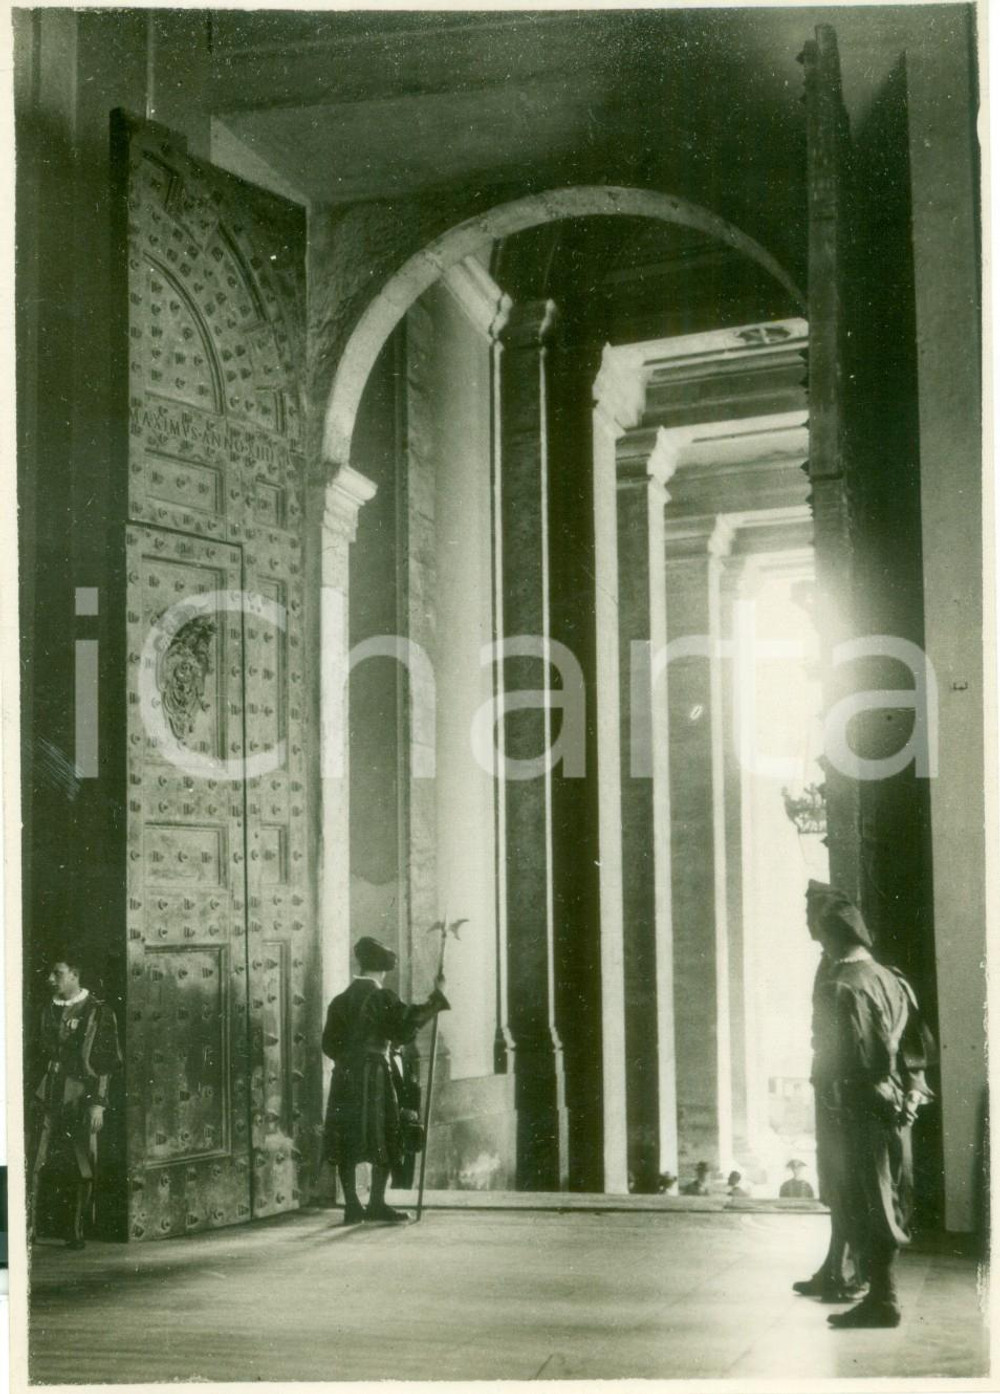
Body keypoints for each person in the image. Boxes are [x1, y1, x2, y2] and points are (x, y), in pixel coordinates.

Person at [799, 881, 934, 1329]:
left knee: (863, 1195)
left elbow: (857, 1060)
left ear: (827, 929)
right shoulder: (889, 977)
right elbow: (915, 1045)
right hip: (895, 1107)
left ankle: (883, 1299)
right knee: (889, 1194)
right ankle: (879, 1294)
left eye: (812, 921)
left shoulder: (841, 985)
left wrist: (850, 1095)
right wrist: (909, 1095)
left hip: (858, 1108)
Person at [322, 936, 449, 1224]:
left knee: (346, 1136)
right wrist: (437, 998)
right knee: (385, 1133)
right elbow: (405, 1028)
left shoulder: (340, 1000)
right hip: (375, 1076)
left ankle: (352, 1206)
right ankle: (377, 1203)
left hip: (344, 1076)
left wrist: (349, 1059)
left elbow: (328, 1045)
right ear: (383, 970)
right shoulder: (382, 997)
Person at [28, 954, 121, 1249]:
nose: (50, 979)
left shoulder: (98, 1011)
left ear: (75, 975)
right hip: (45, 1092)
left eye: (58, 973)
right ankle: (27, 1228)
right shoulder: (44, 1009)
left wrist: (98, 1103)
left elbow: (106, 1061)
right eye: (51, 974)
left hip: (80, 1095)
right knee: (33, 1159)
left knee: (80, 1161)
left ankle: (75, 1230)